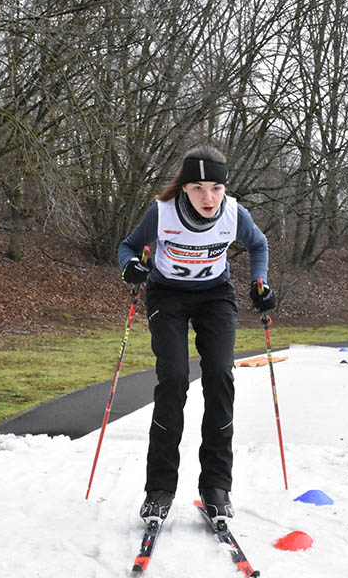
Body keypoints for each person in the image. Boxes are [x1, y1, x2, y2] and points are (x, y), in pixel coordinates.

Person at [117, 144, 275, 526]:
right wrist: (131, 269)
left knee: (220, 375)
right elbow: (128, 247)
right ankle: (159, 489)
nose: (209, 198)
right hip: (167, 295)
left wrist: (259, 283)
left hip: (215, 297)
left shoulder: (235, 214)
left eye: (216, 189)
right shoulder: (162, 212)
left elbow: (258, 245)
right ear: (184, 188)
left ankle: (216, 487)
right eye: (199, 188)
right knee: (173, 379)